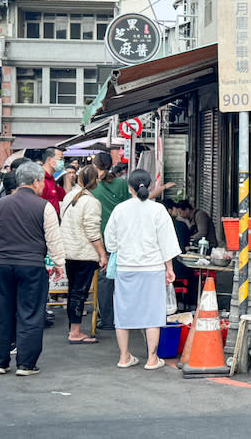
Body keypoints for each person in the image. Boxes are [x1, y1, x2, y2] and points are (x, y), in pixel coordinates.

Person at [0, 161, 65, 376]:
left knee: (1, 311)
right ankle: (26, 364)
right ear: (36, 182)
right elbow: (53, 238)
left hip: (2, 264)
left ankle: (0, 361)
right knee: (30, 312)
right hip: (32, 265)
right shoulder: (44, 206)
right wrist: (58, 263)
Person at [104, 169, 181, 370]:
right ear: (148, 186)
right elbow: (167, 243)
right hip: (153, 268)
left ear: (130, 187)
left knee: (123, 313)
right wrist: (169, 268)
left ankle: (123, 357)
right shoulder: (158, 210)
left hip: (126, 268)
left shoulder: (120, 209)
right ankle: (152, 359)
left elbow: (110, 243)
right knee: (153, 314)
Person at [60, 165, 107, 344]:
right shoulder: (91, 202)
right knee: (80, 293)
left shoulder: (69, 196)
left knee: (73, 291)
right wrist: (102, 254)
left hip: (69, 252)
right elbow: (93, 232)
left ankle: (73, 327)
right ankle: (75, 332)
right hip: (84, 254)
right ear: (96, 181)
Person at [91, 152, 130, 331]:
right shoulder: (122, 183)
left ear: (95, 166)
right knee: (122, 278)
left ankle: (107, 318)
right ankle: (124, 315)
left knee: (105, 279)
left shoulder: (93, 187)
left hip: (102, 237)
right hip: (122, 236)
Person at [40, 148, 66, 220]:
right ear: (49, 160)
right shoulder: (41, 179)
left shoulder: (52, 179)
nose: (62, 162)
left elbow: (63, 196)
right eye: (60, 159)